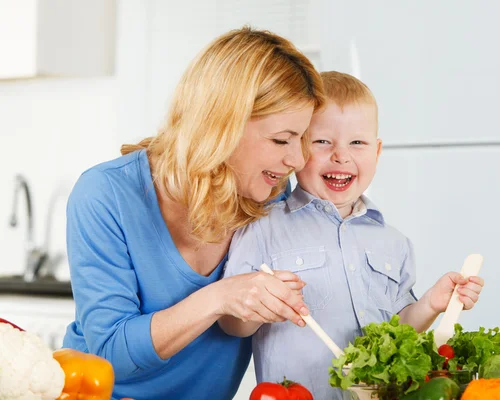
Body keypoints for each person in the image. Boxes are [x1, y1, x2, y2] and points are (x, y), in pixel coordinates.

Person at [62, 27, 325, 400]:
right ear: (221, 125)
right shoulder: (106, 195)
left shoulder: (269, 196)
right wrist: (220, 297)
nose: (296, 160)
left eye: (302, 139)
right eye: (282, 139)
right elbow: (109, 352)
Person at [220, 71, 485, 399]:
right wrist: (259, 304)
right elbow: (231, 323)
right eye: (322, 142)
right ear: (298, 148)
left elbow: (398, 333)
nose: (341, 155)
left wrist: (432, 304)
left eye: (357, 143)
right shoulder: (261, 227)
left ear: (376, 151)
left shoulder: (394, 243)